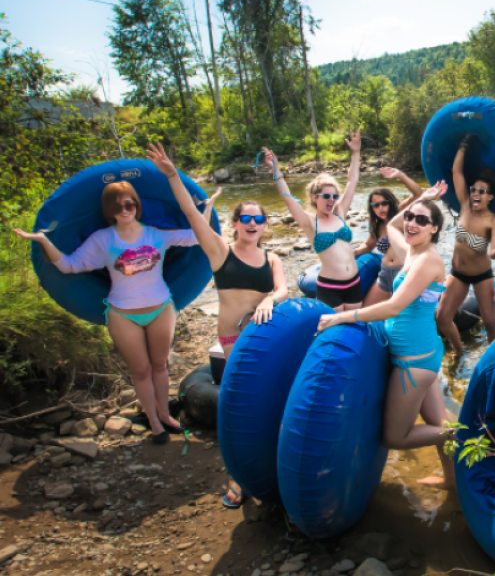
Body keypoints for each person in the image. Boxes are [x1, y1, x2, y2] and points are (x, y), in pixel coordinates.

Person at [147, 144, 290, 509]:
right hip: (232, 340)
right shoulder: (219, 251)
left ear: (266, 226)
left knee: (274, 400)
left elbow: (283, 287)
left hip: (266, 339)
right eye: (246, 219)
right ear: (235, 224)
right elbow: (192, 215)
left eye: (259, 220)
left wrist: (270, 298)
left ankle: (279, 463)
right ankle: (238, 474)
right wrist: (171, 175)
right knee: (241, 406)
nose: (253, 224)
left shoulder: (272, 257)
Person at [15, 181, 195, 444]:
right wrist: (43, 240)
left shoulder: (157, 234)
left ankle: (166, 415)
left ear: (136, 204)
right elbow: (69, 265)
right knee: (142, 370)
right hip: (123, 314)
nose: (125, 210)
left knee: (160, 365)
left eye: (129, 203)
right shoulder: (102, 240)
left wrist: (207, 206)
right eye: (118, 205)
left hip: (161, 309)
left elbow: (197, 235)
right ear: (109, 210)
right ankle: (154, 423)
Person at [317, 182, 455, 488]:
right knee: (436, 423)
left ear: (434, 229)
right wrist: (423, 198)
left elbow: (392, 307)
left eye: (422, 220)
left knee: (395, 436)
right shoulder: (412, 252)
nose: (411, 223)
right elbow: (393, 223)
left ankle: (461, 435)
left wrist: (341, 316)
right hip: (424, 351)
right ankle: (453, 480)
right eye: (411, 217)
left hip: (413, 361)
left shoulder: (428, 259)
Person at [434, 135, 495, 354]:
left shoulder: (493, 221)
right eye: (474, 190)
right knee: (442, 318)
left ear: (490, 196)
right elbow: (456, 173)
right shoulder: (464, 206)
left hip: (482, 277)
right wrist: (463, 144)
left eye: (482, 191)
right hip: (458, 273)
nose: (475, 194)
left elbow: (494, 252)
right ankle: (458, 351)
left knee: (490, 323)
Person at [271, 132, 362, 310]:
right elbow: (289, 199)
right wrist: (276, 171)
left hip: (354, 283)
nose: (332, 199)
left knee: (354, 328)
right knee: (332, 330)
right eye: (326, 196)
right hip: (329, 287)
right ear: (314, 197)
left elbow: (352, 181)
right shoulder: (310, 222)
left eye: (334, 196)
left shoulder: (340, 213)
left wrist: (356, 153)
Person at [355, 167, 423, 307]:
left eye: (384, 203)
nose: (381, 208)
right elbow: (369, 246)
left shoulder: (401, 214)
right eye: (376, 205)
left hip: (405, 273)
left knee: (403, 314)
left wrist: (401, 176)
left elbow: (418, 194)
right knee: (365, 311)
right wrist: (353, 252)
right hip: (385, 274)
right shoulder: (377, 226)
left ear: (390, 202)